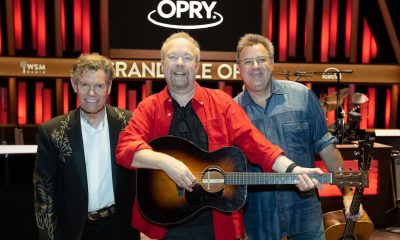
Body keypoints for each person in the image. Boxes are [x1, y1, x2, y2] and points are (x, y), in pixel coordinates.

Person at [116, 32, 325, 240]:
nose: (180, 63)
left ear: (196, 65)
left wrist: (293, 170)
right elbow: (125, 149)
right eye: (172, 57)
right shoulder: (148, 107)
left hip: (216, 225)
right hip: (162, 225)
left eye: (187, 58)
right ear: (162, 64)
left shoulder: (222, 103)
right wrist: (166, 163)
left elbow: (258, 146)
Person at [234, 33, 361, 240]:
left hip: (305, 215)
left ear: (273, 63)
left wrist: (347, 194)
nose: (255, 66)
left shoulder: (302, 96)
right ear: (238, 66)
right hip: (258, 222)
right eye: (248, 61)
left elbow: (327, 147)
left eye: (262, 59)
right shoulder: (232, 111)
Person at [33, 54, 140, 240]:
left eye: (99, 86)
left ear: (109, 87)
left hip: (120, 228)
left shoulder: (130, 123)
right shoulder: (52, 131)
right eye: (84, 85)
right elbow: (44, 195)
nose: (91, 93)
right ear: (75, 86)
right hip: (75, 231)